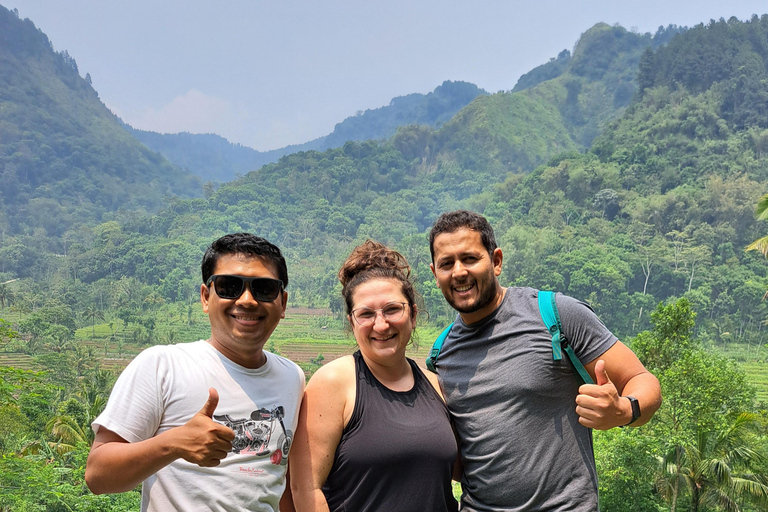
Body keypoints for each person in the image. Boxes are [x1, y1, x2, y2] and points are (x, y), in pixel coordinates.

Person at [428, 210, 662, 512]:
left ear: (496, 261)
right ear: (435, 274)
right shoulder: (441, 353)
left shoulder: (555, 314)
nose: (459, 272)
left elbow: (644, 381)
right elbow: (459, 459)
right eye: (447, 264)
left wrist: (624, 410)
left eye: (470, 258)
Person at [85, 233, 305, 512]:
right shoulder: (163, 366)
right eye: (229, 286)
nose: (247, 300)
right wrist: (172, 444)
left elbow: (278, 480)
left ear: (282, 303)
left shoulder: (292, 377)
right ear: (205, 297)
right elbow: (97, 476)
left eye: (264, 289)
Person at [290, 240, 458, 512]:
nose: (381, 324)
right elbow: (307, 489)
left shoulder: (435, 384)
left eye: (393, 309)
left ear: (413, 315)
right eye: (366, 314)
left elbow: (464, 470)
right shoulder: (334, 383)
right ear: (351, 322)